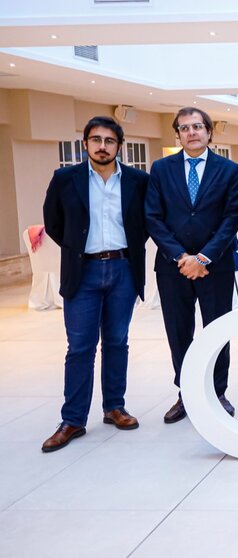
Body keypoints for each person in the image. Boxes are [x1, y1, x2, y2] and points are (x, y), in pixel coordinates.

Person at [40, 116, 149, 452]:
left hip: (122, 270)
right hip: (83, 271)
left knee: (117, 341)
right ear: (85, 143)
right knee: (81, 348)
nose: (102, 146)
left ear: (120, 145)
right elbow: (54, 223)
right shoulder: (65, 178)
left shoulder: (137, 181)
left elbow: (144, 223)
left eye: (109, 141)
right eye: (96, 139)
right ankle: (72, 419)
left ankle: (114, 406)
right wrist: (79, 249)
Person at [146, 107, 238, 423]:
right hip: (173, 267)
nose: (191, 132)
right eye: (184, 128)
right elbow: (153, 217)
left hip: (215, 265)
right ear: (177, 134)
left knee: (216, 329)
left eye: (197, 126)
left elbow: (231, 218)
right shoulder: (161, 169)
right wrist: (181, 256)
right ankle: (186, 392)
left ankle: (217, 392)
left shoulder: (228, 170)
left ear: (209, 132)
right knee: (179, 331)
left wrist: (203, 257)